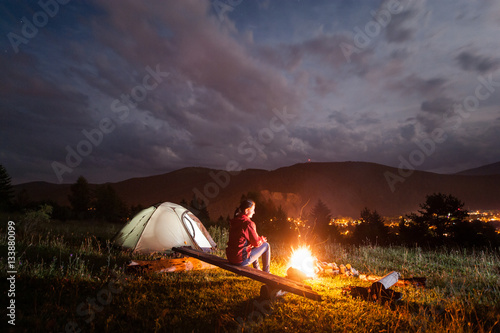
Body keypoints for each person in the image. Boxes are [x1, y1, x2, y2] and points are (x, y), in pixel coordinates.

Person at [226, 199, 271, 273]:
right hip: (240, 260)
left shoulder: (235, 220)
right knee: (266, 245)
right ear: (247, 211)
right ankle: (267, 273)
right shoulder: (248, 223)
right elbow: (256, 243)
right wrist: (262, 240)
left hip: (231, 258)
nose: (254, 212)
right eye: (253, 210)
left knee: (251, 245)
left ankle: (257, 269)